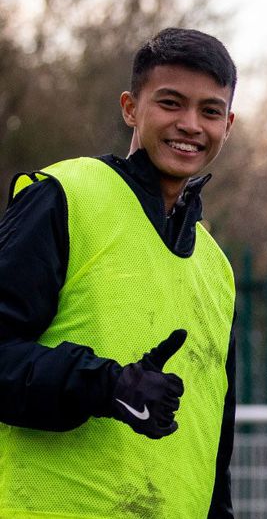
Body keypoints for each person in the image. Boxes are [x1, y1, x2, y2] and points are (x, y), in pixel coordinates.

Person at [0, 28, 238, 518]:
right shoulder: (64, 196)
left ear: (228, 123)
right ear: (131, 108)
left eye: (210, 111)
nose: (190, 124)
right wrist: (106, 386)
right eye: (171, 103)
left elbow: (214, 444)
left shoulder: (218, 268)